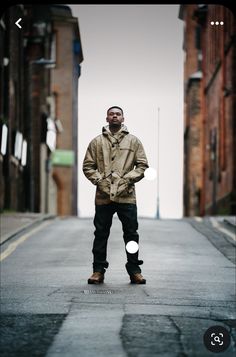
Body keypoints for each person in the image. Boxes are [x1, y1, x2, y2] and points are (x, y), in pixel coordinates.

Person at [82, 106, 149, 284]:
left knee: (131, 234)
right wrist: (100, 181)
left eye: (117, 114)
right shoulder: (96, 142)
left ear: (123, 118)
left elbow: (142, 166)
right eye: (111, 114)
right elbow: (88, 166)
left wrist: (127, 180)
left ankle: (134, 270)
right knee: (101, 233)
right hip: (103, 196)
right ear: (106, 118)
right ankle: (98, 270)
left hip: (126, 196)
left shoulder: (133, 142)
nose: (114, 116)